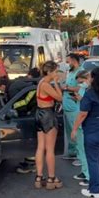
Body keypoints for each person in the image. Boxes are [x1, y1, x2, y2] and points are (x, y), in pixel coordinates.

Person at [71, 67, 99, 198]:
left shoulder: (90, 94)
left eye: (90, 77)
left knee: (93, 160)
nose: (89, 79)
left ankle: (95, 190)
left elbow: (83, 114)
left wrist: (74, 129)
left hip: (93, 131)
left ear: (95, 79)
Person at [34, 61, 63, 190]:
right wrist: (56, 83)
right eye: (56, 71)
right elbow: (59, 97)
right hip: (48, 115)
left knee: (41, 147)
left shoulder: (41, 82)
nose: (57, 73)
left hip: (39, 114)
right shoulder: (46, 85)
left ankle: (39, 177)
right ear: (50, 72)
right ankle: (51, 178)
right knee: (50, 149)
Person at [61, 54, 84, 165]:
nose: (67, 64)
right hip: (67, 105)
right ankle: (72, 152)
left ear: (74, 61)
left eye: (68, 61)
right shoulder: (70, 72)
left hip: (74, 106)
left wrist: (67, 88)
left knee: (77, 132)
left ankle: (81, 157)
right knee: (69, 131)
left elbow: (81, 87)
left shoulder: (81, 72)